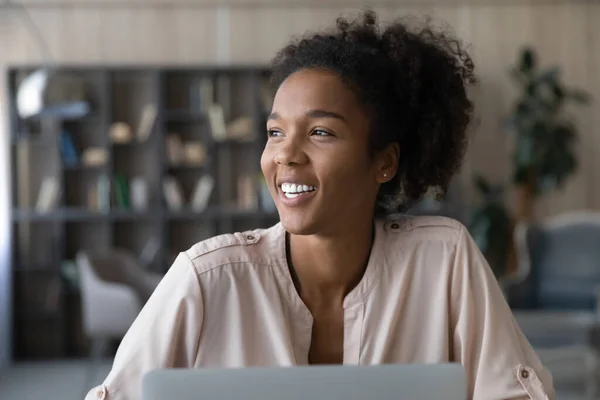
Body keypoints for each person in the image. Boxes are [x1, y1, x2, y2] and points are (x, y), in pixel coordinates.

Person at [86, 10, 554, 400]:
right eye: (275, 132)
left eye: (320, 132)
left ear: (384, 162)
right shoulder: (208, 279)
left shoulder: (444, 259)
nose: (286, 155)